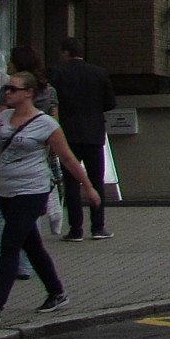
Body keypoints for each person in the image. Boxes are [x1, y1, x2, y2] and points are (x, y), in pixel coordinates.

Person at [0, 66, 95, 317]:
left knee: (9, 245)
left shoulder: (46, 124)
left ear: (28, 93)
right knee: (32, 245)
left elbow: (69, 159)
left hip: (32, 191)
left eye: (13, 89)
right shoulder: (3, 117)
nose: (6, 92)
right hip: (5, 190)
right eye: (6, 87)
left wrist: (89, 187)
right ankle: (57, 293)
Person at [48, 38, 115, 240]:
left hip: (67, 134)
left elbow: (53, 102)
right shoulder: (99, 73)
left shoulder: (57, 73)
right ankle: (98, 226)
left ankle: (75, 229)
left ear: (66, 52)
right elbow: (110, 102)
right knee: (96, 180)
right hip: (94, 133)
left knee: (71, 182)